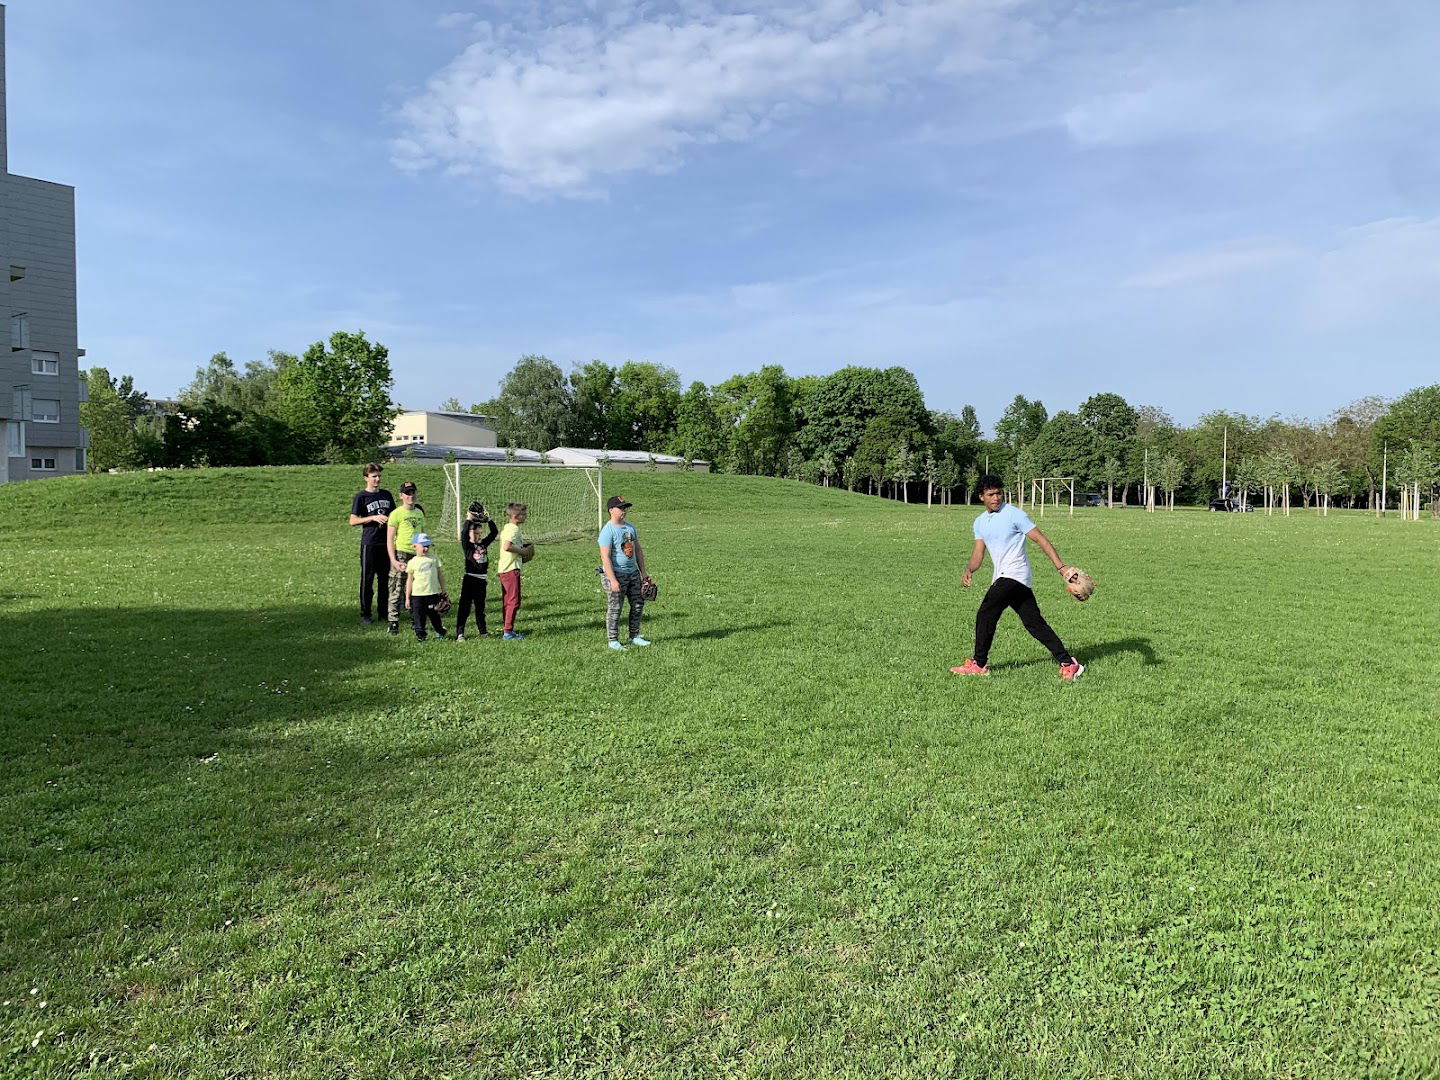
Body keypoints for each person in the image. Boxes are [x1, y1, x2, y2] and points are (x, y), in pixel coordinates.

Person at [952, 474, 1085, 681]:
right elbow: (978, 553)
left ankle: (979, 664)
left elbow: (1041, 539)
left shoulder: (1014, 515)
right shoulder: (980, 522)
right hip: (1006, 577)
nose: (996, 498)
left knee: (986, 613)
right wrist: (969, 569)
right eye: (991, 494)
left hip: (1014, 574)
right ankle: (1069, 663)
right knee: (1034, 624)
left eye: (999, 493)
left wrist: (1061, 567)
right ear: (981, 496)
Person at [598, 494, 651, 650]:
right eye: (620, 508)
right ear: (611, 510)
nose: (624, 510)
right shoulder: (607, 531)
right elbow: (605, 557)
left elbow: (638, 550)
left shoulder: (630, 528)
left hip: (633, 573)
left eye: (625, 508)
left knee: (638, 604)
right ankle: (613, 640)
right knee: (615, 608)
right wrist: (612, 580)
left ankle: (634, 636)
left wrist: (643, 573)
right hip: (616, 574)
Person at [348, 463, 394, 626]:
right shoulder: (361, 497)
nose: (377, 479)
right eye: (374, 476)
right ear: (366, 478)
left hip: (385, 542)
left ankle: (383, 613)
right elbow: (353, 520)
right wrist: (372, 518)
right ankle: (366, 613)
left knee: (384, 579)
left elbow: (394, 515)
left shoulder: (386, 495)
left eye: (379, 476)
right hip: (370, 543)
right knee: (367, 579)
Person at [386, 481, 427, 636]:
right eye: (407, 493)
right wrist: (393, 559)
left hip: (416, 554)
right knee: (397, 587)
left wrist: (424, 552)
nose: (411, 496)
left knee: (416, 588)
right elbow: (390, 539)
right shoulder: (396, 514)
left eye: (413, 492)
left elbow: (422, 534)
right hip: (401, 553)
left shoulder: (419, 513)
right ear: (401, 496)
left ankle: (415, 620)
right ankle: (393, 621)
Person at [456, 502, 498, 642]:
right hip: (470, 580)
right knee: (465, 607)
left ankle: (483, 631)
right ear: (469, 534)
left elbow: (494, 533)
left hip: (481, 581)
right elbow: (463, 533)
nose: (478, 535)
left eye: (480, 533)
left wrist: (488, 520)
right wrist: (469, 519)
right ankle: (460, 633)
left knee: (480, 608)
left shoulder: (483, 544)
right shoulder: (468, 546)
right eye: (475, 533)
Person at [495, 502, 534, 641]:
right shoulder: (513, 529)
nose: (526, 516)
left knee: (508, 601)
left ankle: (507, 628)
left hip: (504, 569)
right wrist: (523, 551)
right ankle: (508, 632)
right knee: (514, 601)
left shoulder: (507, 527)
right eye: (523, 514)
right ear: (516, 516)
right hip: (511, 569)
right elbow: (507, 546)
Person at [403, 533, 448, 641]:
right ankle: (420, 635)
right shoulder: (412, 562)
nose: (426, 549)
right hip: (417, 595)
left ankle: (440, 630)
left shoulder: (433, 559)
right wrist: (407, 597)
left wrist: (443, 590)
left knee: (434, 615)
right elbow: (409, 580)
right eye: (423, 546)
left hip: (432, 593)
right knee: (418, 616)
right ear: (414, 546)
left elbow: (440, 575)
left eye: (427, 546)